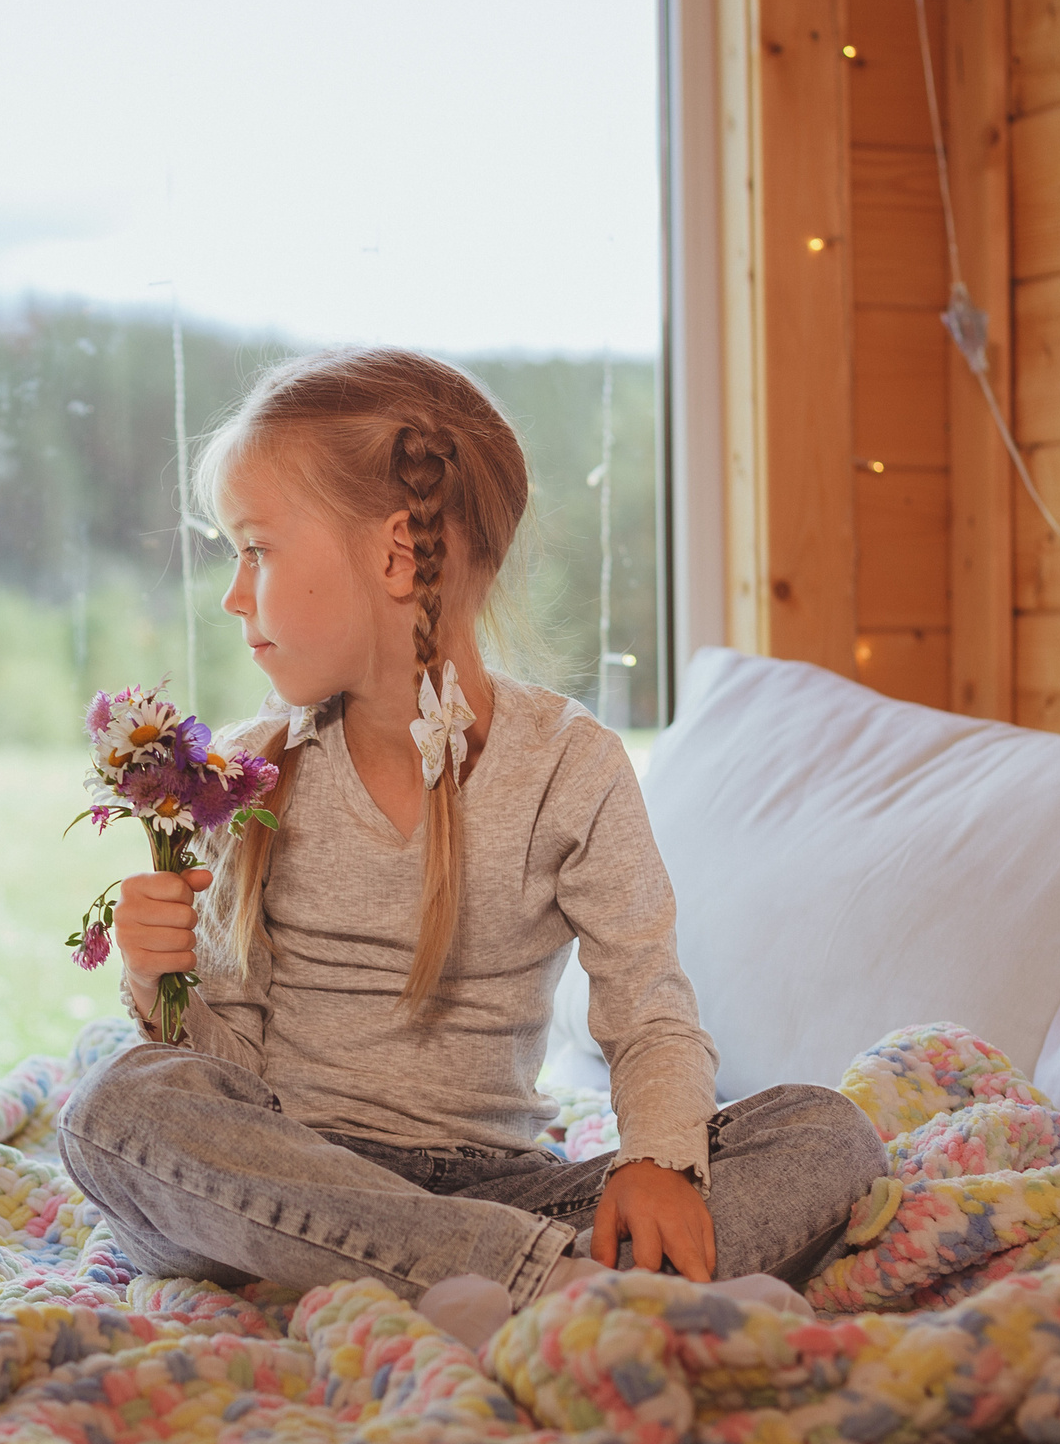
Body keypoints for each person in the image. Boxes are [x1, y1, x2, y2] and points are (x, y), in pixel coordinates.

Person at [58, 346, 885, 1342]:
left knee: (821, 1130)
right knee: (118, 1103)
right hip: (293, 1172)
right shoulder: (246, 775)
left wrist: (657, 1163)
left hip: (497, 1191)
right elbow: (224, 1067)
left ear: (398, 553)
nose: (235, 593)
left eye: (256, 549)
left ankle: (488, 1278)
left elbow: (651, 1013)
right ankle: (573, 1293)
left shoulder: (567, 767)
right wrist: (160, 980)